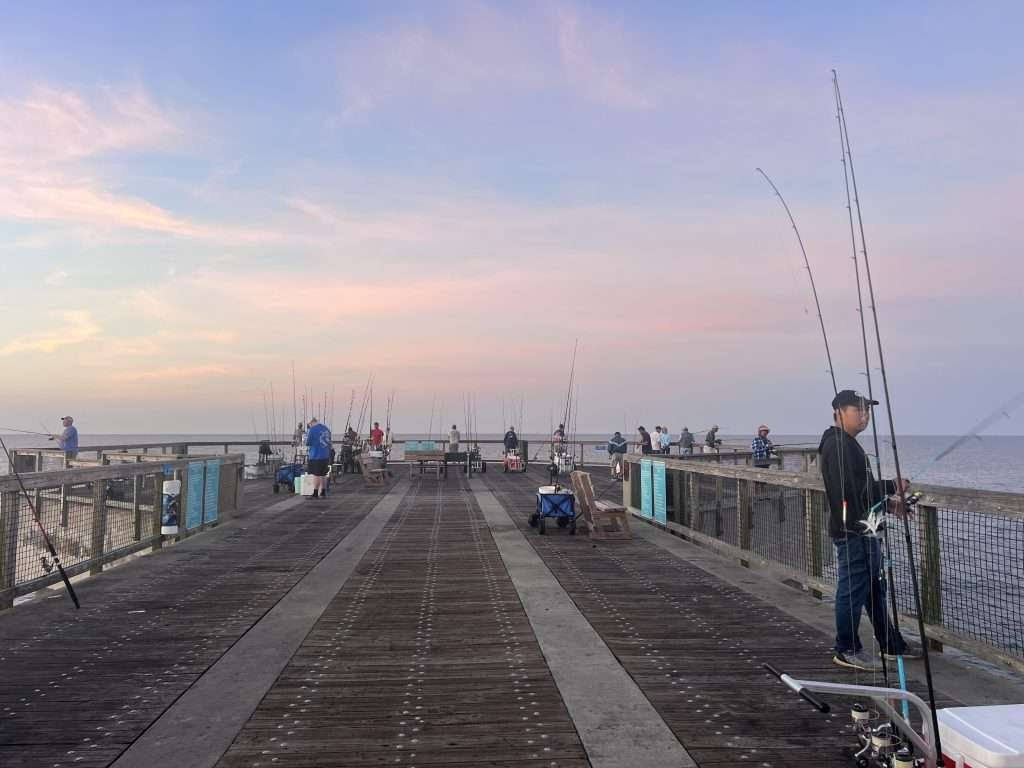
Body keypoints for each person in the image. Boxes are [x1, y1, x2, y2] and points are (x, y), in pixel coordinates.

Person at [819, 389, 918, 671]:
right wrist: (890, 486)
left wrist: (889, 505)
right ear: (839, 412)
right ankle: (846, 648)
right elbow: (849, 491)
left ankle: (890, 643)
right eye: (857, 410)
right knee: (852, 590)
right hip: (852, 533)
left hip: (867, 529)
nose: (864, 416)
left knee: (875, 589)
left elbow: (861, 493)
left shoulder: (847, 444)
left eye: (867, 411)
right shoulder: (838, 445)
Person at [305, 417, 332, 499]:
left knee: (316, 475)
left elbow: (308, 443)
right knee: (323, 474)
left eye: (309, 425)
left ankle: (315, 493)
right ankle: (323, 492)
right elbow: (329, 441)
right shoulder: (326, 428)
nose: (309, 426)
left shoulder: (312, 430)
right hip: (325, 455)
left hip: (316, 455)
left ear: (311, 423)